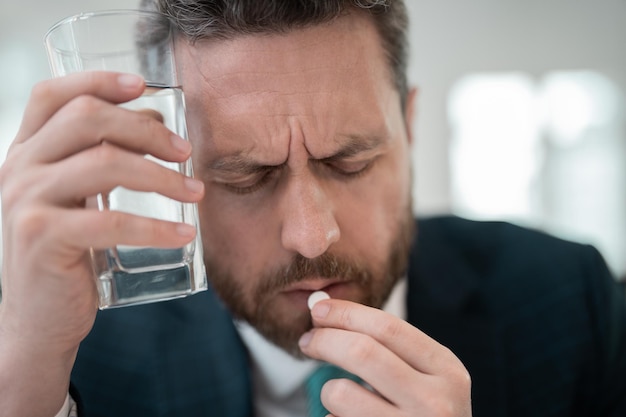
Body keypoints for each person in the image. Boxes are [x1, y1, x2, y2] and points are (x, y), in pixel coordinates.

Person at [0, 0, 625, 416]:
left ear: (408, 125)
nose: (309, 236)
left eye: (348, 161)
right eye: (247, 176)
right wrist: (27, 363)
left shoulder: (572, 301)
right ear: (172, 166)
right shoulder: (82, 354)